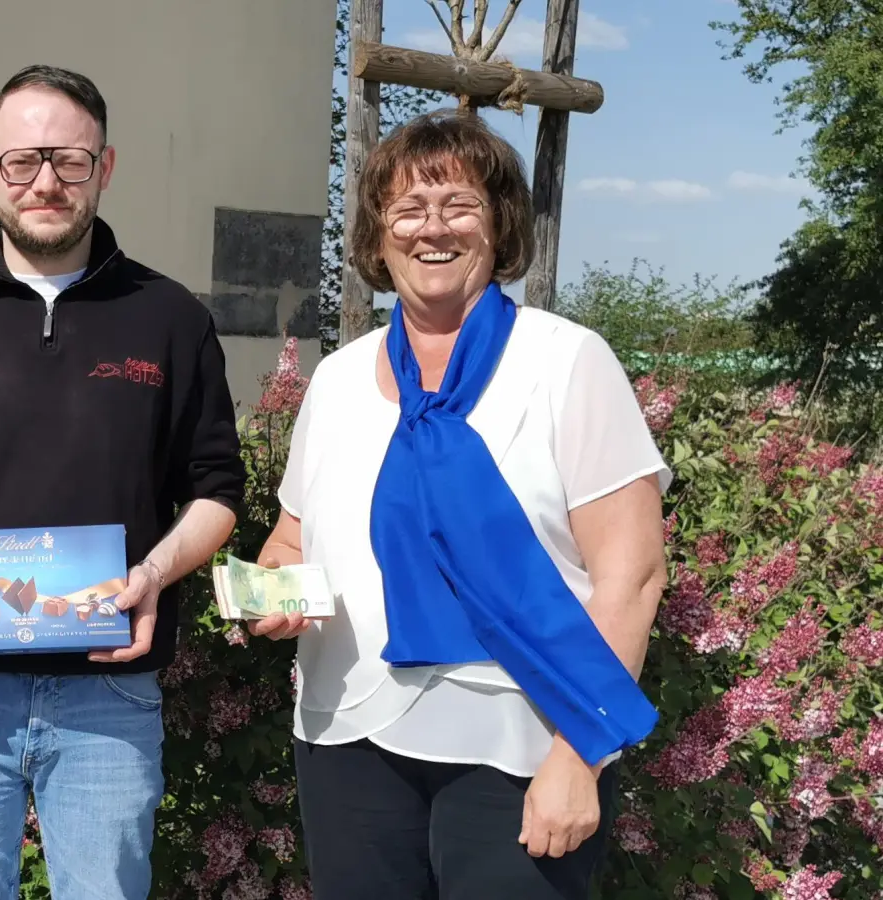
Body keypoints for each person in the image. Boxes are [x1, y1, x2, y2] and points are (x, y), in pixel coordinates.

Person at [0, 64, 246, 900]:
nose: (46, 182)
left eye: (70, 159)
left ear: (106, 166)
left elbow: (216, 488)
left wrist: (153, 575)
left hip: (108, 694)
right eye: (23, 161)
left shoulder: (170, 319)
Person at [245, 109, 671, 898]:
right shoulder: (338, 379)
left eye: (459, 205)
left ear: (500, 227)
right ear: (378, 237)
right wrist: (270, 596)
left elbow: (632, 578)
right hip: (348, 739)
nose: (430, 229)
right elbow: (292, 541)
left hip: (524, 744)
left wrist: (580, 757)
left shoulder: (566, 363)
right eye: (406, 210)